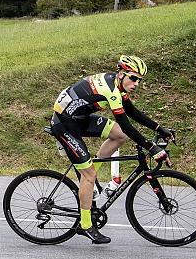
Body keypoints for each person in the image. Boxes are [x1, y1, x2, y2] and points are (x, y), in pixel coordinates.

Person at [49, 55, 174, 244]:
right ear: (122, 74)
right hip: (65, 124)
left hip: (79, 118)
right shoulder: (111, 91)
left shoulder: (117, 84)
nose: (136, 83)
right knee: (89, 175)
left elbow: (131, 112)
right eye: (133, 78)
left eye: (139, 80)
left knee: (118, 136)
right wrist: (152, 147)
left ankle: (91, 179)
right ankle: (85, 225)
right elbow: (127, 125)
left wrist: (159, 129)